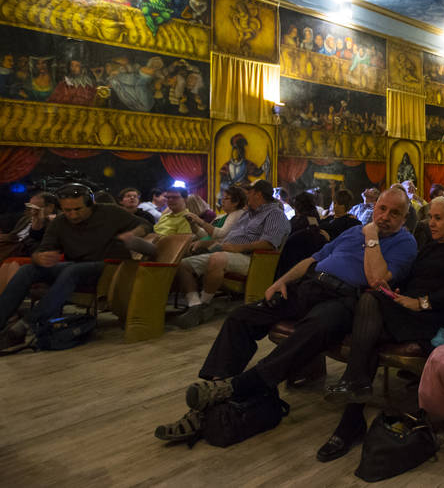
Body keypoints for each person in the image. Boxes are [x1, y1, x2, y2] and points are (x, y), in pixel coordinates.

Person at [154, 189, 417, 443]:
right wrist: (279, 281)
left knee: (314, 328)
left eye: (394, 213)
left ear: (403, 219)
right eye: (382, 208)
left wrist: (371, 237)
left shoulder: (405, 243)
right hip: (311, 286)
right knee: (241, 317)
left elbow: (376, 280)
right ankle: (209, 399)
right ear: (374, 207)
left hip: (346, 299)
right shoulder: (351, 232)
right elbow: (312, 260)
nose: (385, 216)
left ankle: (241, 386)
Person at [317, 195, 444, 461]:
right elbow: (411, 280)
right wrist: (396, 293)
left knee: (369, 313)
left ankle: (350, 413)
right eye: (430, 217)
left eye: (438, 218)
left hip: (432, 317)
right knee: (369, 315)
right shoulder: (429, 246)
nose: (431, 222)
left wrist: (422, 303)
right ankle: (352, 410)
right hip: (405, 309)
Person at [0, 184, 154, 348]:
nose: (72, 215)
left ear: (91, 204)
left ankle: (25, 326)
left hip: (111, 268)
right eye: (67, 210)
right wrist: (40, 257)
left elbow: (146, 225)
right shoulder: (60, 222)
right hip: (78, 267)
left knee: (72, 269)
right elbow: (42, 249)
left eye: (78, 209)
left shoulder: (110, 212)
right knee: (28, 269)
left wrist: (133, 234)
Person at [174, 180, 291, 328]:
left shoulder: (275, 214)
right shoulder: (248, 214)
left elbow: (269, 243)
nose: (246, 196)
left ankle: (204, 304)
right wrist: (212, 244)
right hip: (228, 252)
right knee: (183, 265)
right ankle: (194, 305)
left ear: (258, 194)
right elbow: (225, 238)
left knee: (217, 258)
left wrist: (239, 248)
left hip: (253, 259)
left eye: (249, 193)